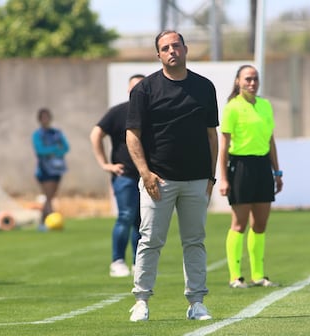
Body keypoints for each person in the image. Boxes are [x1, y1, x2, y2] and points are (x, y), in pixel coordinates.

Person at [126, 30, 219, 322]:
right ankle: (141, 301)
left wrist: (211, 177)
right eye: (165, 48)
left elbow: (211, 135)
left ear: (186, 49)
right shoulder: (145, 90)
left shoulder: (205, 87)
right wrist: (145, 173)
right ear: (158, 55)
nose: (171, 51)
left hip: (196, 181)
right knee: (150, 240)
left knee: (195, 241)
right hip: (158, 181)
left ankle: (197, 302)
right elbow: (132, 136)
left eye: (176, 46)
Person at [219, 64, 283, 289]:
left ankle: (258, 275)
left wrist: (277, 172)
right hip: (241, 167)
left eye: (255, 79)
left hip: (262, 167)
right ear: (238, 81)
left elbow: (270, 141)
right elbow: (224, 145)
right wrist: (224, 177)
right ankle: (235, 276)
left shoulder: (265, 106)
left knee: (261, 224)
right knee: (239, 223)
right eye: (247, 79)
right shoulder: (232, 108)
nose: (252, 83)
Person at [89, 74, 144, 277]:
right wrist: (105, 164)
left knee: (142, 220)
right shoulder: (119, 112)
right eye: (133, 88)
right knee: (126, 216)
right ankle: (117, 260)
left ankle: (139, 261)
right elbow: (96, 134)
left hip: (145, 176)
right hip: (125, 175)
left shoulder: (153, 113)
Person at [32, 108, 70, 231]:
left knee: (50, 197)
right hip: (44, 170)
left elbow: (65, 147)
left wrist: (55, 151)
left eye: (47, 117)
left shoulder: (56, 133)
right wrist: (54, 150)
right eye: (43, 117)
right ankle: (52, 221)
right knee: (48, 197)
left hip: (57, 169)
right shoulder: (38, 134)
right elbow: (40, 150)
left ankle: (42, 224)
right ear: (39, 120)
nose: (45, 119)